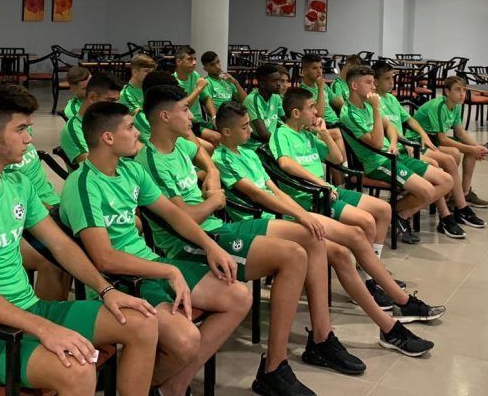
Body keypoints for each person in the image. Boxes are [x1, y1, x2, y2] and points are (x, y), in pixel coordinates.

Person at [0, 86, 160, 394]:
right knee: (77, 370)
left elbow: (60, 245)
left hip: (29, 309)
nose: (29, 138)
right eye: (20, 129)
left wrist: (106, 288)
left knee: (141, 322)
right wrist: (45, 329)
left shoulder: (17, 184)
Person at [137, 85, 365, 393]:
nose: (192, 115)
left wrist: (213, 178)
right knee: (293, 255)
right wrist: (214, 202)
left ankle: (321, 338)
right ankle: (274, 366)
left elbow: (205, 155)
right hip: (192, 241)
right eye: (184, 110)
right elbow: (183, 220)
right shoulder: (150, 160)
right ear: (164, 116)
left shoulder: (180, 146)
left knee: (312, 236)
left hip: (219, 227)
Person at [214, 100, 443, 348]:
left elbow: (273, 190)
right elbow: (258, 196)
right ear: (227, 132)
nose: (251, 131)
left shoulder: (249, 153)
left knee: (346, 248)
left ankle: (390, 320)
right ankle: (397, 309)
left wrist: (299, 213)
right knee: (352, 240)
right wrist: (302, 214)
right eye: (245, 127)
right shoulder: (221, 158)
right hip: (262, 222)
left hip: (284, 215)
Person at [60, 101, 251, 396]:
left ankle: (170, 386)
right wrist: (168, 269)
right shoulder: (83, 184)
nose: (139, 133)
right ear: (107, 138)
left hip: (150, 264)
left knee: (238, 295)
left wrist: (209, 246)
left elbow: (172, 213)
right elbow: (104, 258)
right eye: (131, 128)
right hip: (122, 280)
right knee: (186, 340)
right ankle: (145, 383)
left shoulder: (130, 171)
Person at [271, 88, 396, 258]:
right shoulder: (282, 133)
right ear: (296, 113)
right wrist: (320, 182)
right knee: (366, 221)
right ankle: (371, 274)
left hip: (326, 190)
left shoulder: (307, 134)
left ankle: (372, 263)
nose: (316, 111)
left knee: (383, 209)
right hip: (310, 197)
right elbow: (286, 163)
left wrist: (324, 134)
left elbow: (337, 159)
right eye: (311, 107)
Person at [338, 67, 455, 246]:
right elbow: (376, 143)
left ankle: (398, 214)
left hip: (394, 155)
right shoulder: (350, 113)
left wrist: (393, 144)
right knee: (427, 191)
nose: (373, 88)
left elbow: (391, 127)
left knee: (446, 181)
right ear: (354, 85)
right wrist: (377, 109)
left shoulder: (367, 104)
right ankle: (392, 214)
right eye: (368, 83)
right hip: (378, 163)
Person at [373, 61, 485, 237]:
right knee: (441, 162)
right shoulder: (374, 102)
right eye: (387, 79)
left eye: (392, 78)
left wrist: (423, 135)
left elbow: (410, 120)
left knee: (453, 157)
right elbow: (385, 132)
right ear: (375, 81)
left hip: (410, 144)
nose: (391, 82)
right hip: (402, 147)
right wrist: (407, 141)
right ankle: (448, 213)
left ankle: (459, 204)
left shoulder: (392, 99)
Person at [0, 84, 72, 302]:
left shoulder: (22, 139)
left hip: (49, 206)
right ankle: (47, 321)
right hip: (27, 216)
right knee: (56, 258)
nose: (29, 137)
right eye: (21, 128)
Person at [413, 77, 488, 209]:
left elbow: (460, 132)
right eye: (457, 90)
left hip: (435, 139)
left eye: (464, 90)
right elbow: (443, 139)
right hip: (420, 140)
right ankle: (448, 192)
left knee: (471, 150)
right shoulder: (438, 106)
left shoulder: (457, 105)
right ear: (447, 92)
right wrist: (471, 149)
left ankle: (464, 193)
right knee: (455, 152)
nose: (462, 94)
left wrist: (477, 148)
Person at [59, 72, 122, 166]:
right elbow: (92, 166)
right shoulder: (74, 129)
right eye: (111, 101)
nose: (115, 106)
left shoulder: (111, 120)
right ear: (92, 97)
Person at [172, 46, 220, 151]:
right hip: (183, 124)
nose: (194, 63)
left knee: (222, 136)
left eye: (195, 59)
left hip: (198, 122)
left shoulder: (195, 75)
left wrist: (214, 116)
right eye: (190, 59)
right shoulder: (172, 81)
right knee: (212, 143)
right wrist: (198, 89)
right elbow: (182, 107)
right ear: (179, 62)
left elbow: (207, 98)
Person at [243, 63, 284, 148]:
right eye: (275, 81)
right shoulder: (252, 100)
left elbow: (287, 119)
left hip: (270, 143)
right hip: (256, 146)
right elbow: (263, 134)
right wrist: (284, 142)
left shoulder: (276, 97)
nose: (279, 83)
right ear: (262, 83)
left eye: (279, 80)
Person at [200, 51, 246, 119]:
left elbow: (245, 101)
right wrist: (215, 118)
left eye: (218, 62)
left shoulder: (228, 81)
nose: (217, 67)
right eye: (212, 65)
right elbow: (208, 102)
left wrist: (236, 83)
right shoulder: (206, 82)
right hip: (220, 118)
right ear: (205, 69)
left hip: (233, 116)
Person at [119, 54, 157, 136]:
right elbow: (142, 121)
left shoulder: (152, 89)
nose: (151, 75)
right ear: (135, 72)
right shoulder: (125, 94)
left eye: (152, 72)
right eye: (146, 71)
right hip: (142, 138)